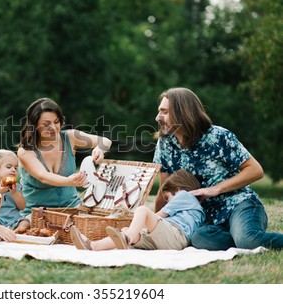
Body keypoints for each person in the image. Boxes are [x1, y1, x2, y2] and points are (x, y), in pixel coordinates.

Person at [153, 87, 283, 250]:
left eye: (164, 112)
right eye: (159, 112)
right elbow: (164, 190)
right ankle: (240, 235)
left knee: (248, 241)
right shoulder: (165, 144)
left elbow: (255, 170)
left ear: (182, 112)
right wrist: (154, 225)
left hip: (239, 204)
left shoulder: (219, 136)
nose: (158, 117)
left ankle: (245, 235)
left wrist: (215, 189)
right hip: (208, 218)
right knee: (198, 239)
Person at [17, 97, 112, 218]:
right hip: (36, 214)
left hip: (71, 210)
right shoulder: (25, 151)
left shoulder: (70, 137)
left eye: (56, 122)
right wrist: (69, 181)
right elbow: (43, 177)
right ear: (34, 125)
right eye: (46, 124)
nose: (53, 128)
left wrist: (99, 149)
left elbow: (105, 141)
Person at [70, 169, 205, 250]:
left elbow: (159, 215)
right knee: (125, 231)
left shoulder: (185, 195)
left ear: (178, 189)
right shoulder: (195, 210)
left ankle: (126, 239)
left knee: (143, 210)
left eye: (167, 197)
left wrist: (140, 219)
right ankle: (92, 246)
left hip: (176, 234)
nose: (167, 202)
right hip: (172, 241)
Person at [0, 149, 30, 233]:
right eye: (8, 167)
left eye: (15, 167)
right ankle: (4, 232)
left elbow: (22, 207)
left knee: (25, 222)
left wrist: (14, 193)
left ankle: (16, 231)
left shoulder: (17, 187)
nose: (13, 170)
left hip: (15, 219)